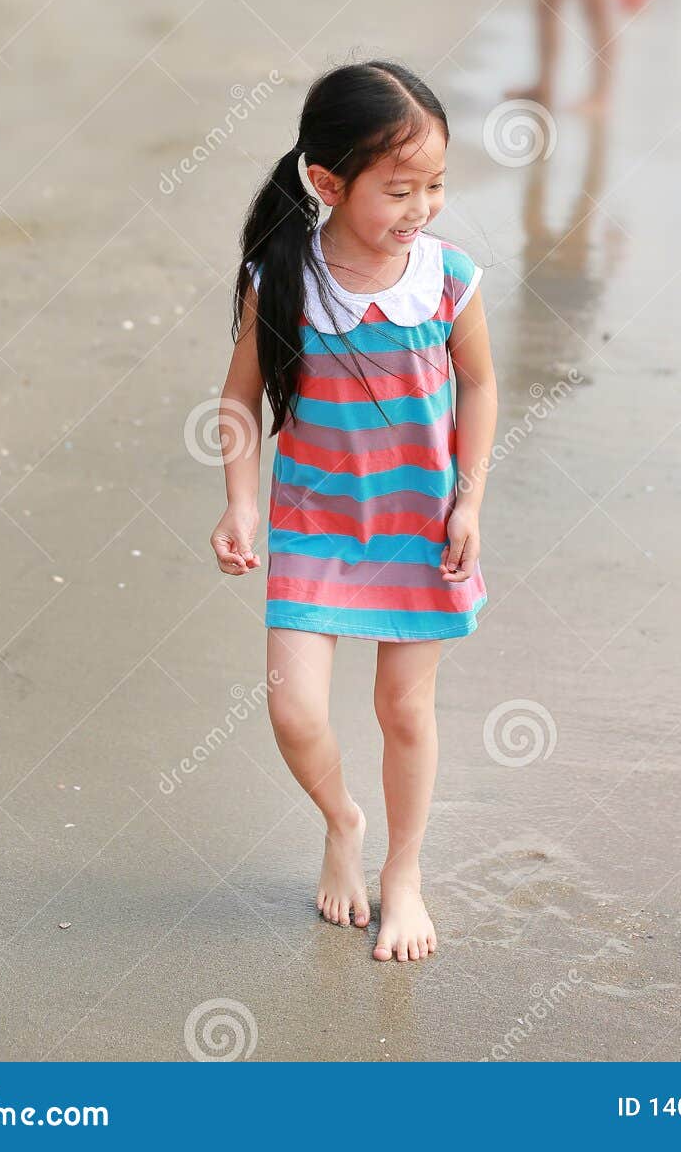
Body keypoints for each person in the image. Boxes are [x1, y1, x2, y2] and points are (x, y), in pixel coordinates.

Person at [210, 61, 497, 962]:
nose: (422, 207)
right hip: (315, 528)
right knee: (294, 711)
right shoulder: (284, 275)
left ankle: (402, 874)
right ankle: (342, 820)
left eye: (436, 185)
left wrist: (468, 498)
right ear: (328, 182)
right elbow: (238, 401)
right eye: (400, 189)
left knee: (404, 710)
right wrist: (239, 506)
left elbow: (481, 384)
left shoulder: (446, 278)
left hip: (417, 525)